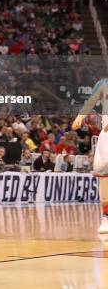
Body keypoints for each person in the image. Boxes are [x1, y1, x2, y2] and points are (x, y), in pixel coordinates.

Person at [72, 77, 108, 233]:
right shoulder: (103, 83)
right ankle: (106, 217)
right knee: (105, 179)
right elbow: (90, 102)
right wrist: (80, 117)